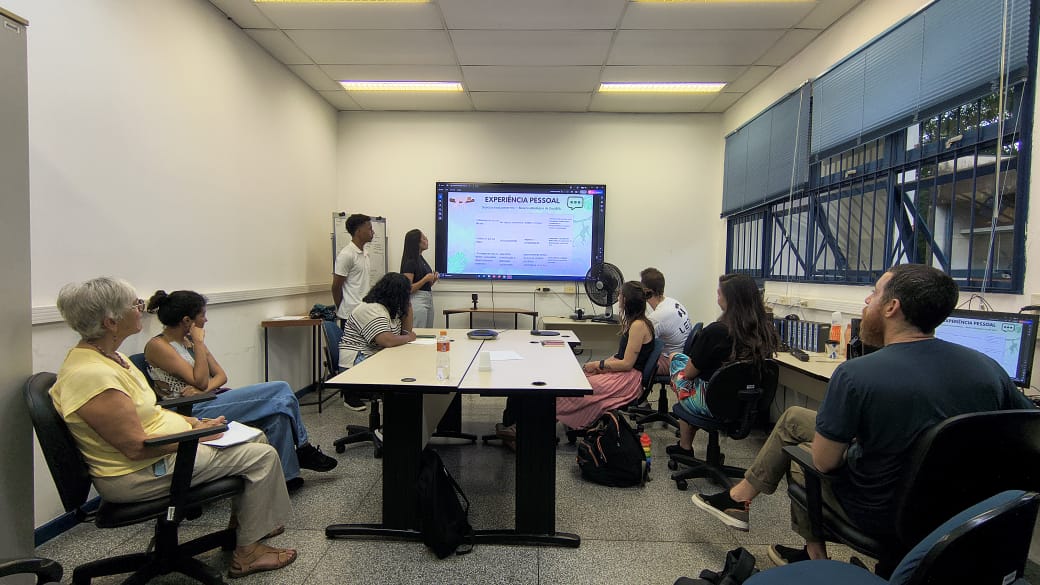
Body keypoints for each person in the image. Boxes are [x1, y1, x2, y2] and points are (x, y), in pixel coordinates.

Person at [688, 264, 1035, 567]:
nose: (867, 301)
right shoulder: (988, 368)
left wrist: (853, 440)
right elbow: (1027, 426)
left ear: (892, 307)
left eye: (874, 294)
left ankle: (814, 559)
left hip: (880, 510)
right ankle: (740, 499)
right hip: (960, 508)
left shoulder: (856, 376)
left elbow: (824, 462)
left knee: (801, 459)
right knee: (794, 417)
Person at [50, 277, 296, 578]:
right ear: (111, 322)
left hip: (159, 456)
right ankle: (248, 555)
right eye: (135, 305)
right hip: (137, 473)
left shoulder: (113, 359)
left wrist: (193, 422)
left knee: (256, 436)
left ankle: (245, 530)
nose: (141, 309)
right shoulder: (92, 375)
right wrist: (198, 437)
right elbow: (135, 447)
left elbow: (151, 412)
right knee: (262, 456)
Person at [143, 290, 337, 492]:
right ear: (186, 321)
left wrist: (203, 388)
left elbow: (221, 376)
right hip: (189, 411)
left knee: (278, 415)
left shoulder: (189, 341)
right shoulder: (159, 346)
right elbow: (200, 380)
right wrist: (199, 345)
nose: (206, 320)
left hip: (208, 399)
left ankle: (287, 477)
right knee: (281, 389)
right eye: (202, 315)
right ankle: (303, 447)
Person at [666, 273, 777, 460]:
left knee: (678, 365)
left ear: (729, 300)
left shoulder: (715, 331)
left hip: (713, 404)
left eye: (719, 294)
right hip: (747, 406)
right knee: (688, 373)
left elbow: (690, 373)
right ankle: (687, 437)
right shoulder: (765, 331)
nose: (717, 297)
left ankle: (685, 446)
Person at [556, 281, 657, 430]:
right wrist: (600, 365)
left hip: (628, 379)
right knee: (580, 378)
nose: (618, 298)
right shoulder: (637, 322)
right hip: (624, 374)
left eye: (620, 295)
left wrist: (599, 364)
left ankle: (553, 419)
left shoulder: (638, 326)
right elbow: (620, 356)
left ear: (626, 300)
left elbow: (627, 364)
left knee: (581, 387)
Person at [332, 213, 374, 410]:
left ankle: (361, 389)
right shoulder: (346, 254)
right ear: (358, 231)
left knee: (365, 352)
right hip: (350, 314)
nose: (372, 232)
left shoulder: (364, 253)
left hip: (364, 312)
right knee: (350, 354)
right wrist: (343, 307)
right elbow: (336, 286)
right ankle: (349, 396)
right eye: (369, 228)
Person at [339, 272, 417, 368]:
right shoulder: (372, 308)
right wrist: (409, 337)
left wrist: (407, 305)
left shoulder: (390, 309)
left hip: (374, 354)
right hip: (357, 358)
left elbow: (405, 332)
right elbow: (387, 340)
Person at [641, 267, 693, 374]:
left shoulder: (657, 317)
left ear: (647, 292)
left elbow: (641, 345)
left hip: (673, 360)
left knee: (635, 363)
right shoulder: (672, 302)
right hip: (684, 355)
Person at [400, 229, 439, 329]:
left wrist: (432, 280)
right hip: (417, 301)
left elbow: (424, 285)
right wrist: (425, 279)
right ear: (416, 242)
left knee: (428, 331)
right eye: (423, 238)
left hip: (427, 298)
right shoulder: (410, 261)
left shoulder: (421, 259)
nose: (426, 240)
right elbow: (407, 288)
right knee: (419, 331)